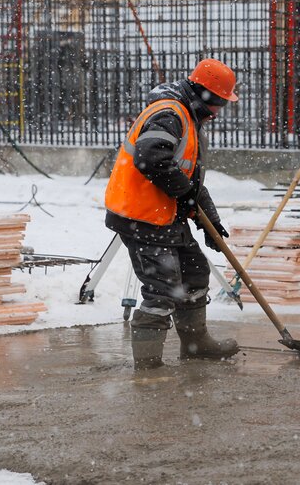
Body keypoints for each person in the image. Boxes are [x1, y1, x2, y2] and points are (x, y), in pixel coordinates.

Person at [104, 58, 241, 369]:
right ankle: (148, 364)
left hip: (163, 213)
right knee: (163, 289)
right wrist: (186, 195)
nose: (219, 111)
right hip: (140, 215)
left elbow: (187, 178)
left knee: (194, 272)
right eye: (219, 102)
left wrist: (211, 222)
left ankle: (196, 344)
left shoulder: (187, 116)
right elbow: (151, 158)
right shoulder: (170, 114)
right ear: (204, 94)